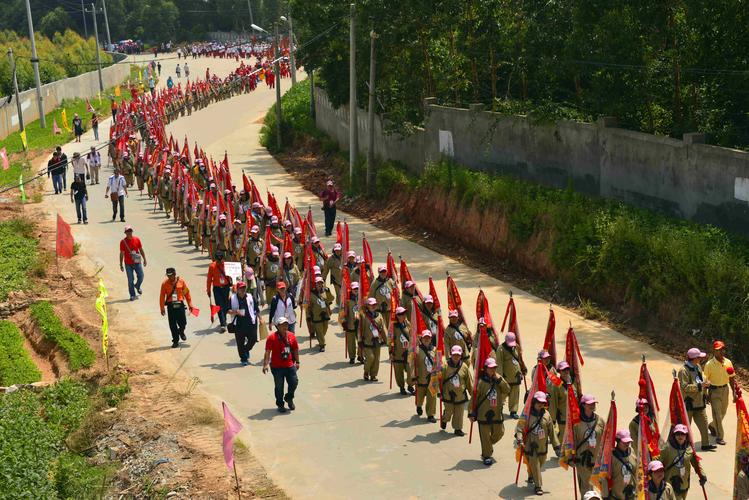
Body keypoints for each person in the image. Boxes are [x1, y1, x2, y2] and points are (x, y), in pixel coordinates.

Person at [514, 390, 557, 495]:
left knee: (539, 464)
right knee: (535, 463)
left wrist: (557, 447)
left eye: (542, 403)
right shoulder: (526, 414)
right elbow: (519, 428)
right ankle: (538, 486)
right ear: (533, 402)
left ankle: (531, 475)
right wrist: (519, 440)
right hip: (530, 445)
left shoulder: (547, 415)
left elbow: (552, 432)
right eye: (538, 402)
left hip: (543, 447)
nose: (540, 404)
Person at [469, 357, 511, 464]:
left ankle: (487, 445)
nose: (493, 370)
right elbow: (474, 398)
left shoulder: (498, 379)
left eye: (494, 368)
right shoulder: (481, 382)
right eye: (490, 368)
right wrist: (471, 412)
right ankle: (486, 455)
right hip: (483, 414)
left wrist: (500, 380)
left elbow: (507, 389)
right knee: (485, 435)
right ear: (485, 368)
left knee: (499, 433)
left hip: (497, 413)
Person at [678, 347, 716, 451]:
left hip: (700, 402)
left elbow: (701, 381)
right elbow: (684, 387)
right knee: (685, 427)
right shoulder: (683, 371)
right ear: (694, 358)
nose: (701, 359)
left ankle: (705, 444)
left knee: (704, 424)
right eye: (699, 357)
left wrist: (705, 392)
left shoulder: (698, 366)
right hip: (689, 403)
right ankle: (683, 446)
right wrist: (700, 386)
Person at [262, 317, 300, 413]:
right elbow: (267, 352)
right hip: (277, 367)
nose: (285, 327)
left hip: (290, 365)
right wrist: (265, 364)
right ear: (278, 326)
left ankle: (289, 398)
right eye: (283, 325)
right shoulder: (272, 338)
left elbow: (295, 349)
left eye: (286, 324)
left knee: (294, 382)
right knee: (279, 386)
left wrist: (298, 362)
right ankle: (280, 404)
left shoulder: (291, 336)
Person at [660, 424, 706, 499]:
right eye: (678, 434)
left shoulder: (689, 449)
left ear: (686, 436)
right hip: (670, 484)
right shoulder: (667, 448)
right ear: (674, 435)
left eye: (683, 434)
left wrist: (702, 475)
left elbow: (696, 463)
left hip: (684, 483)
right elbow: (657, 462)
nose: (680, 436)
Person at [703, 340, 736, 446]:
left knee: (723, 413)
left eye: (722, 349)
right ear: (714, 351)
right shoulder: (709, 364)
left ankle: (712, 426)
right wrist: (706, 394)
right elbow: (705, 380)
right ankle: (719, 436)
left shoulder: (728, 362)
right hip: (714, 391)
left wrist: (734, 392)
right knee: (717, 414)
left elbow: (732, 378)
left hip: (725, 390)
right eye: (718, 350)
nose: (721, 352)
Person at [574, 394, 606, 492]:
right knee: (586, 487)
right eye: (589, 404)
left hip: (597, 460)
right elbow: (573, 441)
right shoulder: (576, 422)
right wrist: (571, 457)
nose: (592, 405)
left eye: (593, 403)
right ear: (583, 405)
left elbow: (606, 438)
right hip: (582, 460)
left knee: (602, 487)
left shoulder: (600, 420)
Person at [440, 345, 473, 436]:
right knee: (449, 411)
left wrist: (473, 393)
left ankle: (457, 428)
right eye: (454, 355)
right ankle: (444, 419)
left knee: (459, 413)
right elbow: (440, 380)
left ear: (461, 355)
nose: (456, 357)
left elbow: (468, 381)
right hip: (448, 394)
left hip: (460, 394)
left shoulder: (464, 366)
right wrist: (439, 391)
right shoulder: (445, 366)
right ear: (451, 354)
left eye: (458, 355)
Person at [159, 268, 194, 348]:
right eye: (168, 276)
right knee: (172, 324)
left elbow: (186, 293)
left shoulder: (181, 282)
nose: (169, 277)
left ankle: (181, 331)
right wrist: (162, 308)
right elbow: (162, 296)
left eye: (171, 275)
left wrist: (190, 304)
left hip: (180, 304)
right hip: (171, 306)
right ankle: (175, 340)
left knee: (183, 323)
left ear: (174, 274)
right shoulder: (164, 284)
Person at [600, 429, 636, 500]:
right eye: (624, 442)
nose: (627, 444)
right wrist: (605, 495)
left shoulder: (632, 452)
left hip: (631, 495)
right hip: (616, 496)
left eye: (628, 442)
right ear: (618, 441)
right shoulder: (610, 457)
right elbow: (604, 477)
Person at [229, 281, 259, 365]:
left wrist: (260, 318)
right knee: (240, 342)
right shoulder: (232, 298)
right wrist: (236, 312)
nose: (243, 290)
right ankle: (243, 358)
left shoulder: (250, 297)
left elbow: (256, 308)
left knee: (253, 339)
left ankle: (245, 350)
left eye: (244, 288)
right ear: (237, 289)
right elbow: (227, 310)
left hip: (250, 322)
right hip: (238, 324)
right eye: (241, 288)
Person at [498, 331, 525, 419]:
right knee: (502, 394)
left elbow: (519, 360)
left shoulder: (516, 347)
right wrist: (500, 377)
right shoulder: (501, 349)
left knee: (515, 395)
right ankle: (499, 409)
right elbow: (499, 364)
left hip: (516, 376)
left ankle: (513, 411)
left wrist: (522, 369)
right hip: (506, 377)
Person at [360, 297, 387, 381]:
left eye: (374, 304)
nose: (373, 306)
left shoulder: (379, 316)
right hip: (367, 341)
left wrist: (387, 341)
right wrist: (360, 341)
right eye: (371, 305)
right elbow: (360, 329)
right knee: (370, 357)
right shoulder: (363, 316)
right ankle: (366, 371)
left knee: (376, 359)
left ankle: (373, 375)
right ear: (367, 305)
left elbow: (383, 329)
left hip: (377, 341)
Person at [413, 329, 438, 421]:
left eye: (428, 338)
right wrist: (413, 377)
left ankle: (430, 414)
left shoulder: (435, 350)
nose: (426, 339)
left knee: (432, 397)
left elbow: (439, 364)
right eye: (424, 338)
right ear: (421, 339)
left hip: (433, 378)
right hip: (421, 378)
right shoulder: (417, 350)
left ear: (431, 339)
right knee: (420, 396)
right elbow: (412, 364)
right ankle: (419, 405)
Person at [206, 251, 232, 332]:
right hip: (217, 288)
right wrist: (208, 289)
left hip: (226, 287)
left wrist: (234, 286)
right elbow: (209, 279)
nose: (219, 262)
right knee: (219, 306)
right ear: (215, 259)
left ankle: (223, 318)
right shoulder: (212, 266)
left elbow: (232, 276)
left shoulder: (227, 265)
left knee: (225, 305)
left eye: (221, 260)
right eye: (218, 260)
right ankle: (223, 324)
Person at [120, 226, 147, 301]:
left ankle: (137, 286)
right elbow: (121, 253)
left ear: (132, 231)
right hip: (128, 263)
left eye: (130, 231)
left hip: (137, 262)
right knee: (130, 280)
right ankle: (132, 295)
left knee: (141, 276)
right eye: (127, 231)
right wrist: (121, 264)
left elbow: (141, 249)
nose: (129, 232)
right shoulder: (123, 242)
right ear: (125, 233)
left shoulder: (137, 239)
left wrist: (144, 259)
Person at [307, 276, 334, 351]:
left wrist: (328, 292)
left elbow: (331, 299)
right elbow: (309, 306)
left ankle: (320, 338)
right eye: (318, 283)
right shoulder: (311, 293)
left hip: (325, 313)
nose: (320, 285)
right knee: (319, 330)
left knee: (325, 329)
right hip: (316, 315)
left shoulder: (325, 291)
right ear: (315, 284)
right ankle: (322, 344)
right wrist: (309, 315)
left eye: (321, 283)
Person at [390, 306, 413, 393]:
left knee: (411, 371)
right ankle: (401, 387)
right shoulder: (393, 327)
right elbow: (390, 340)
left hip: (408, 353)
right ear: (397, 316)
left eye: (404, 314)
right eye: (401, 314)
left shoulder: (408, 324)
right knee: (399, 372)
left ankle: (410, 385)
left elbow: (412, 335)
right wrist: (391, 352)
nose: (403, 316)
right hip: (398, 353)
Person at [342, 282, 361, 364]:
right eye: (354, 289)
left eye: (357, 288)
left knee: (361, 340)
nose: (356, 290)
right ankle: (352, 357)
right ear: (351, 289)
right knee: (351, 342)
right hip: (350, 323)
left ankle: (360, 355)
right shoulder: (347, 300)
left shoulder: (361, 298)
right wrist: (343, 321)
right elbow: (342, 312)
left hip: (360, 323)